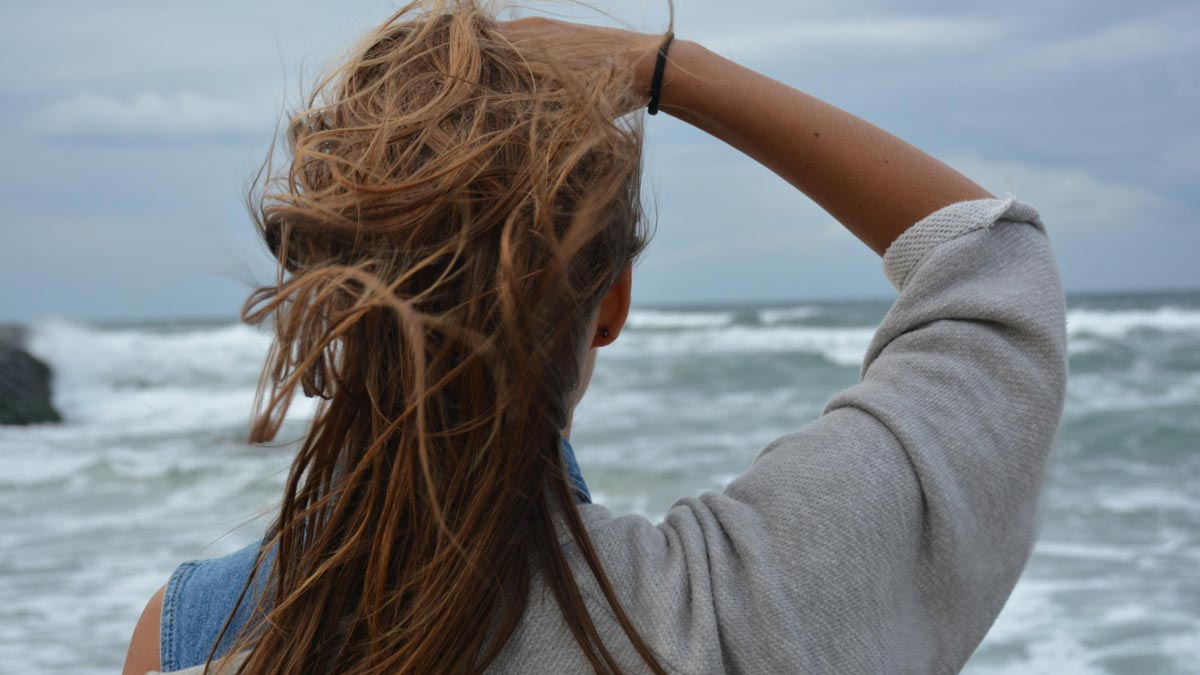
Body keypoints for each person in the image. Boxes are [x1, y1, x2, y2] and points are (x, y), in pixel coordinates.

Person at [121, 1, 1068, 673]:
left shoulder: (191, 637)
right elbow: (992, 263)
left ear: (327, 297)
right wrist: (668, 70)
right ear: (609, 303)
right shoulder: (733, 614)